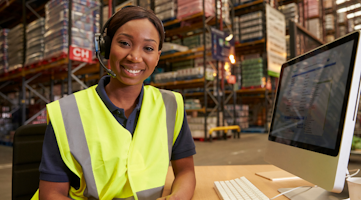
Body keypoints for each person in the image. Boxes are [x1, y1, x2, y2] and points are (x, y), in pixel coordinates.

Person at [31, 6, 196, 200]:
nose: (135, 56)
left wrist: (176, 198)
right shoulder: (67, 112)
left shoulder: (171, 105)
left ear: (157, 56)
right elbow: (51, 194)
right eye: (125, 43)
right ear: (106, 48)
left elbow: (186, 171)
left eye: (148, 48)